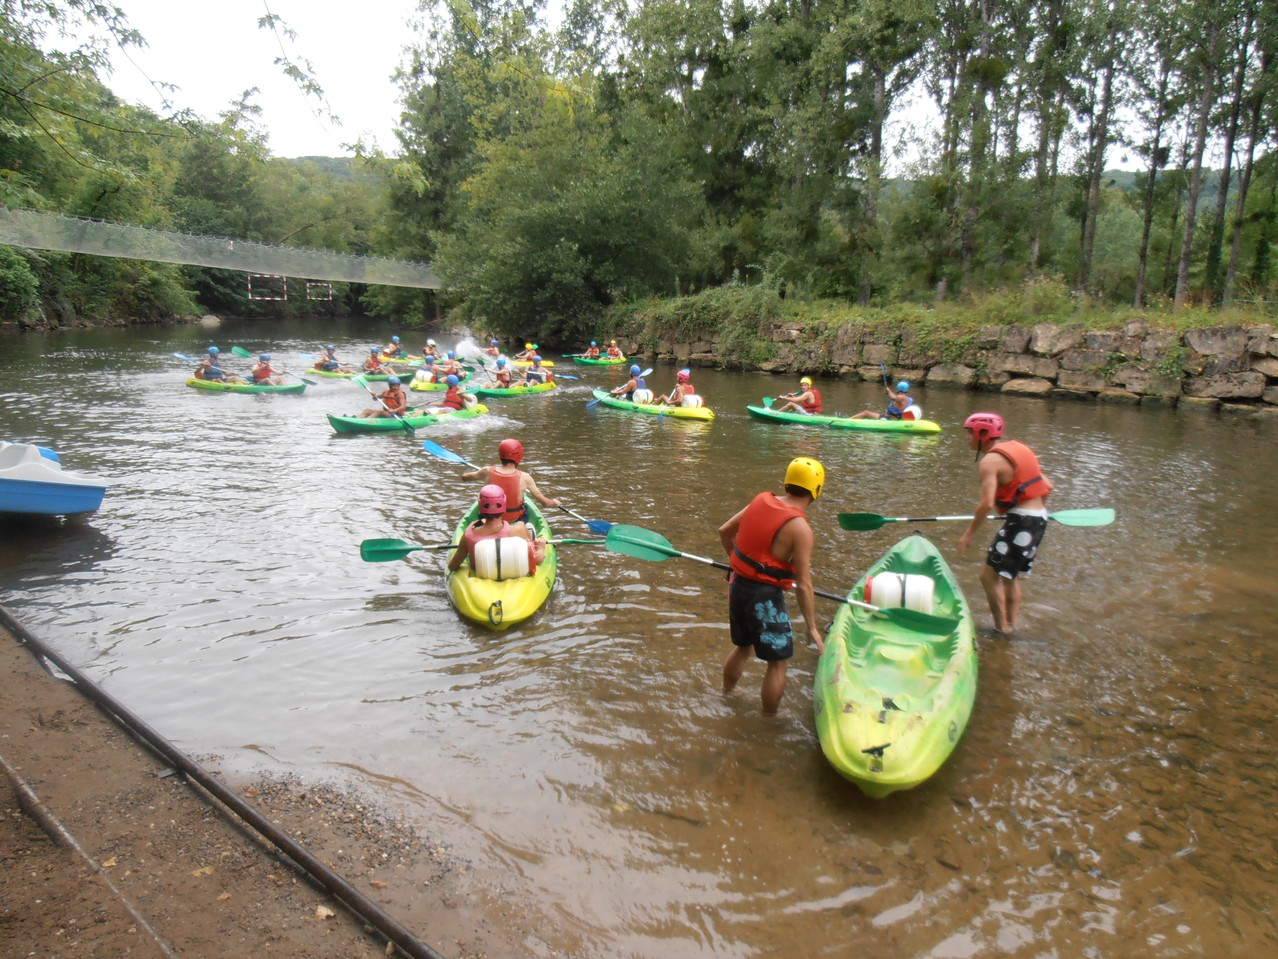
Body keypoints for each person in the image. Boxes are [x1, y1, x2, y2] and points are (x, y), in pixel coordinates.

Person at [719, 457, 826, 714]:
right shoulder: (800, 528)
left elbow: (724, 531)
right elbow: (803, 586)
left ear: (787, 481)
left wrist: (735, 564)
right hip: (765, 597)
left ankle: (725, 695)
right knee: (777, 664)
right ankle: (769, 721)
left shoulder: (760, 501)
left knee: (742, 647)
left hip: (738, 587)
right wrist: (811, 627)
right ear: (817, 489)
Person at [957, 412, 1054, 636]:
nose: (968, 438)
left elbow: (986, 504)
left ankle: (1002, 629)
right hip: (1038, 519)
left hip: (1022, 521)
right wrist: (1031, 511)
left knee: (988, 576)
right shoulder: (1020, 449)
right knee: (1009, 577)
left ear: (983, 433)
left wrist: (968, 535)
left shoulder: (989, 461)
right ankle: (1011, 625)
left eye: (970, 433)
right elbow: (1048, 485)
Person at [460, 438, 562, 538]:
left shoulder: (486, 471)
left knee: (482, 499)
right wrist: (555, 503)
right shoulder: (525, 477)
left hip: (489, 518)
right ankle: (526, 530)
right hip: (515, 519)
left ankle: (481, 528)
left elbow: (464, 478)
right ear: (519, 456)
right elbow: (545, 503)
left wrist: (467, 475)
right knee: (523, 506)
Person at [448, 484, 546, 575]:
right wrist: (540, 548)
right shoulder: (518, 531)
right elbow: (537, 560)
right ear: (503, 505)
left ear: (480, 506)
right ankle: (532, 540)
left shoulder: (469, 534)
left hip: (483, 576)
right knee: (522, 524)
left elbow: (452, 566)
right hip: (515, 573)